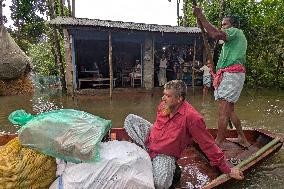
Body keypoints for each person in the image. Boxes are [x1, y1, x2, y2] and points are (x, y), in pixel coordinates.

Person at [124, 80, 244, 189]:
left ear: (179, 98)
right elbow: (157, 125)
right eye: (164, 94)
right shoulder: (163, 105)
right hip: (152, 140)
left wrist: (227, 170)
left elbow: (208, 144)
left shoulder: (192, 117)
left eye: (168, 96)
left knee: (160, 184)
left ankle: (169, 167)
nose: (163, 98)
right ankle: (150, 154)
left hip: (165, 153)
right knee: (130, 120)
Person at [192, 6, 250, 148]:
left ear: (232, 26)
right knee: (229, 111)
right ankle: (242, 137)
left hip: (232, 75)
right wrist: (215, 68)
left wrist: (201, 16)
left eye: (225, 24)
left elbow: (215, 33)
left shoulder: (235, 32)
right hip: (230, 74)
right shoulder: (231, 42)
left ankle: (218, 142)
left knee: (223, 111)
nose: (223, 27)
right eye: (222, 25)